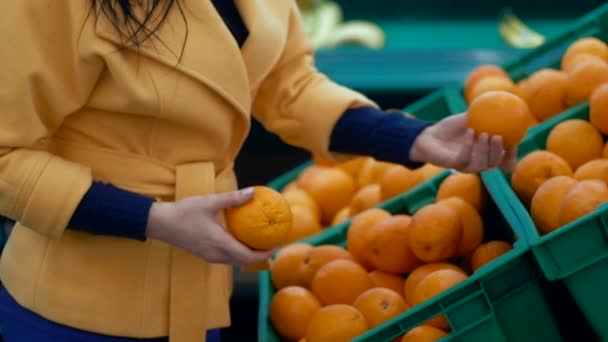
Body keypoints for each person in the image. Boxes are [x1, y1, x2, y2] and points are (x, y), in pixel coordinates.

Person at [0, 1, 516, 341]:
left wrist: (410, 137)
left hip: (198, 296)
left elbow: (285, 84)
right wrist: (152, 219)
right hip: (76, 311)